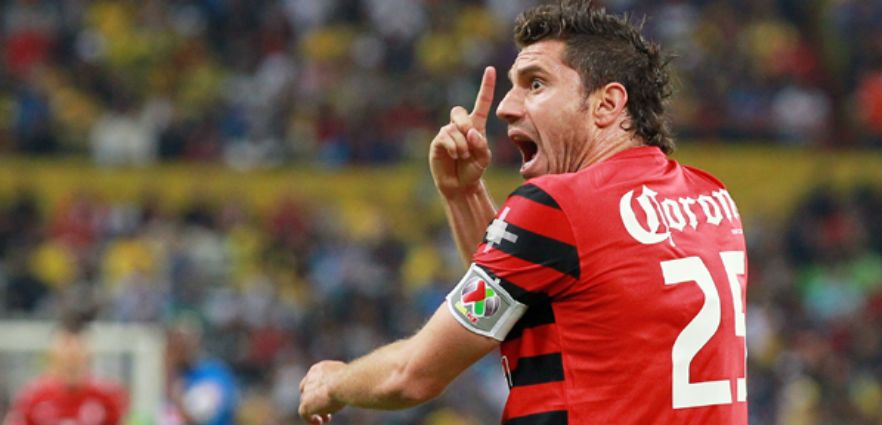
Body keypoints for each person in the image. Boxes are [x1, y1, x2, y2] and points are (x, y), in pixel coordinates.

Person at [298, 2, 749, 424]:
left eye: (535, 84)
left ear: (607, 104)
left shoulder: (560, 206)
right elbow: (525, 300)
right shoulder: (712, 198)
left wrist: (334, 381)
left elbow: (411, 376)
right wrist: (465, 195)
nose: (506, 107)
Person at [3, 322, 128, 425]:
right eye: (66, 354)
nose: (71, 360)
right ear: (53, 356)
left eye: (76, 355)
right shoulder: (32, 397)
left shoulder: (107, 396)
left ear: (88, 356)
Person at [162, 315, 238, 425]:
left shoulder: (215, 375)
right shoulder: (177, 374)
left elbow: (193, 418)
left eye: (181, 341)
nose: (177, 347)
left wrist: (170, 371)